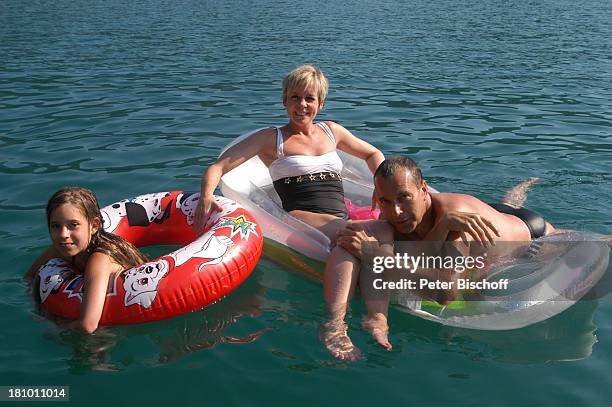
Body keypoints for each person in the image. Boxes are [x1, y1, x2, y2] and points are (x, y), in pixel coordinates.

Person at [322, 156, 555, 360]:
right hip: (488, 212)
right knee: (505, 205)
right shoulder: (395, 213)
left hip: (529, 230)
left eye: (404, 197)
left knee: (513, 212)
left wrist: (377, 254)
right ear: (377, 197)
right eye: (386, 201)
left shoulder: (456, 221)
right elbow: (350, 243)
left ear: (424, 190)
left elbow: (445, 294)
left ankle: (526, 186)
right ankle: (514, 196)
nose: (396, 212)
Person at [194, 64, 385, 241]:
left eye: (310, 98)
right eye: (295, 97)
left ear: (321, 104)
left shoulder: (332, 131)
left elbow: (373, 154)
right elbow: (217, 168)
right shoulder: (270, 138)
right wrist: (206, 197)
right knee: (357, 236)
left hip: (341, 217)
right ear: (285, 100)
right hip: (300, 220)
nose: (302, 104)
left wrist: (381, 185)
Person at [25, 187, 148, 334]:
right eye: (56, 226)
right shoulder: (64, 246)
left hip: (134, 315)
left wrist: (54, 326)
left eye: (73, 225)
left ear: (94, 225)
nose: (64, 234)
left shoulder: (100, 259)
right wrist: (38, 308)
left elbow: (88, 326)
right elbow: (30, 276)